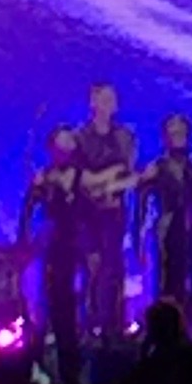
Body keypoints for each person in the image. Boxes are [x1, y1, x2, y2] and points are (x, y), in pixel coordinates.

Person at [69, 83, 138, 343]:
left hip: (113, 214)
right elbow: (79, 178)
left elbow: (130, 174)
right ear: (93, 102)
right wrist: (105, 180)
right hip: (85, 214)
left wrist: (111, 185)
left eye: (113, 98)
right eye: (105, 98)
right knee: (90, 266)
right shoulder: (80, 138)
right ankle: (86, 326)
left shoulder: (124, 137)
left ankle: (113, 327)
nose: (110, 104)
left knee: (113, 267)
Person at [134, 115, 192, 318]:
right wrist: (139, 237)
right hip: (168, 229)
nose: (178, 136)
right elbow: (141, 204)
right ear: (166, 137)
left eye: (181, 132)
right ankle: (169, 325)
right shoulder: (157, 167)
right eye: (173, 132)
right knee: (169, 280)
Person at [17, 131, 86, 384]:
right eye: (59, 144)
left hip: (73, 250)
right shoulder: (44, 178)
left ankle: (70, 374)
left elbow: (89, 213)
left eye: (68, 143)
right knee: (43, 308)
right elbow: (28, 211)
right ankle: (38, 367)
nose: (64, 149)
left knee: (69, 310)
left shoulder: (82, 177)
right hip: (50, 250)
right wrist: (25, 242)